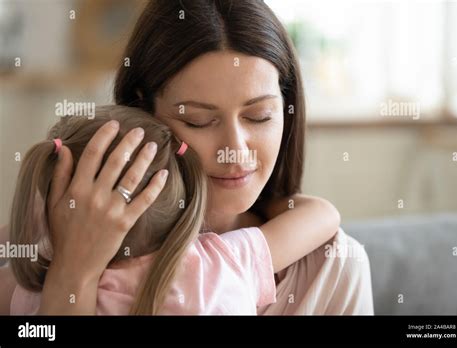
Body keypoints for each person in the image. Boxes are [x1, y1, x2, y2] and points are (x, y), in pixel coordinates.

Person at [0, 0, 373, 315]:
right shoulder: (46, 252)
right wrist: (73, 271)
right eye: (198, 120)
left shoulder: (334, 265)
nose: (236, 149)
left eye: (259, 116)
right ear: (143, 112)